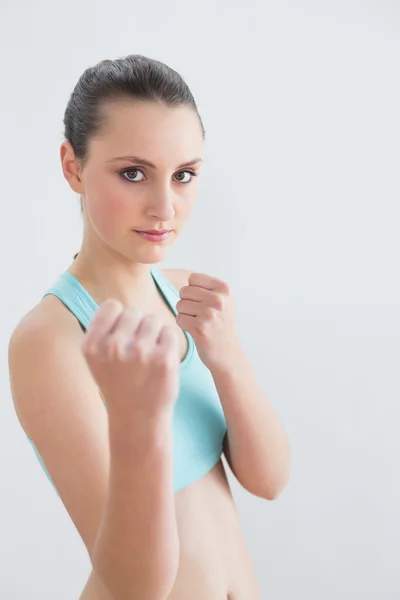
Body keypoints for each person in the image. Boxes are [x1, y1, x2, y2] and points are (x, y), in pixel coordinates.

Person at [7, 54, 291, 600]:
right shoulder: (51, 341)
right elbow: (135, 585)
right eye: (133, 173)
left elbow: (269, 480)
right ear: (72, 167)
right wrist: (138, 418)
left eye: (183, 175)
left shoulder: (190, 298)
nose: (165, 207)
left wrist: (227, 359)